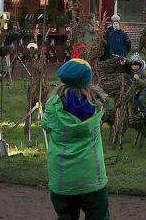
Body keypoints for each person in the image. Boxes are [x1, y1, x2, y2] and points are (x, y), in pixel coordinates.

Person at [43, 58, 110, 220]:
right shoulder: (96, 104)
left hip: (62, 178)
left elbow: (46, 125)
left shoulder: (52, 106)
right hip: (92, 178)